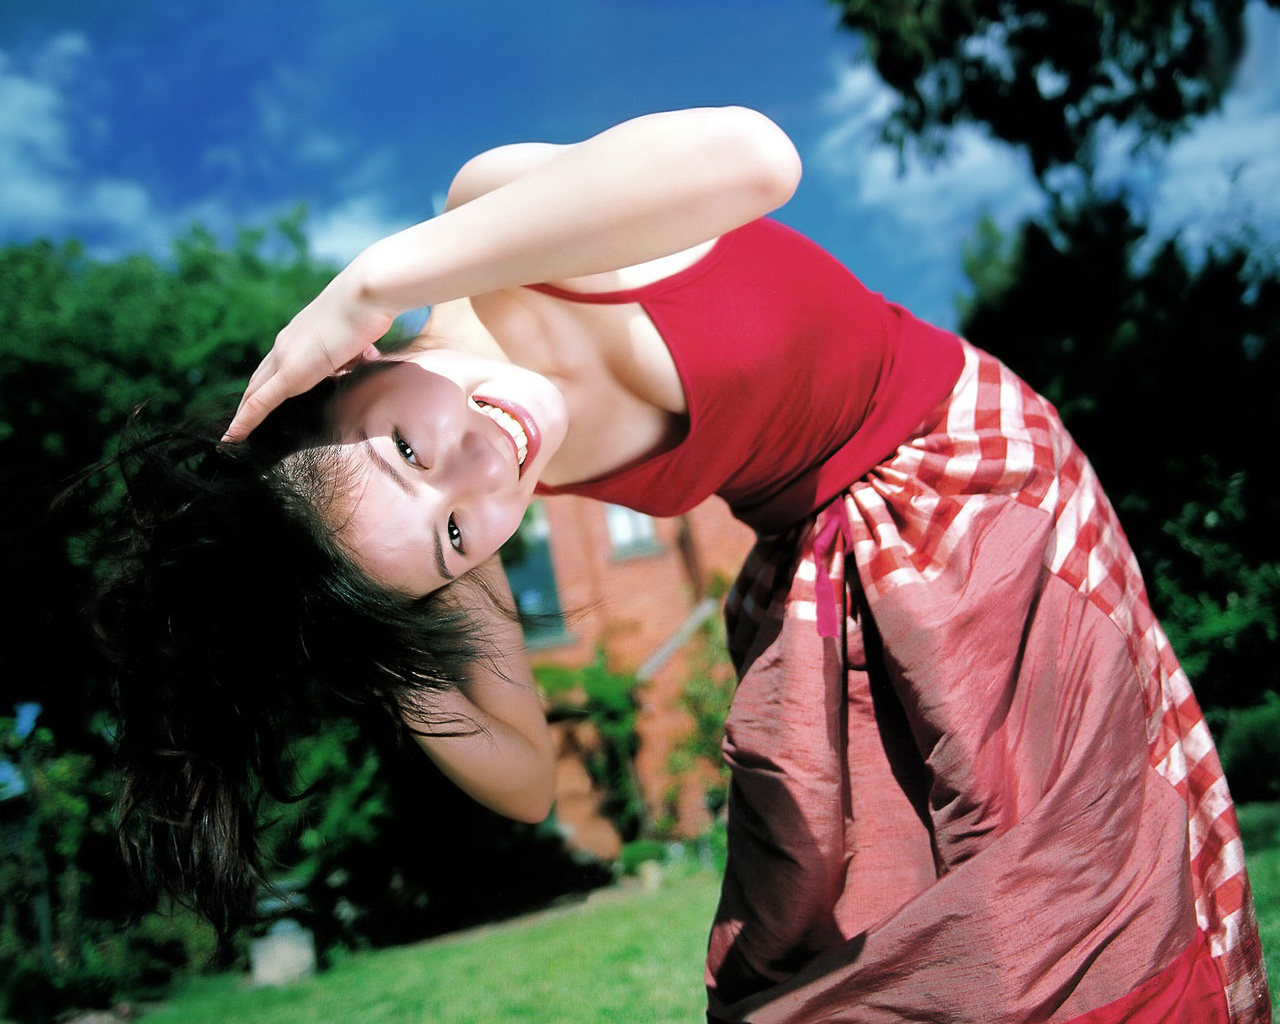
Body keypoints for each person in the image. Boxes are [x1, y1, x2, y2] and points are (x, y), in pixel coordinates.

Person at [103, 107, 1269, 1022]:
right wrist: (385, 643)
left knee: (1053, 910)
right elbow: (527, 779)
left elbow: (755, 158)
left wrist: (371, 280)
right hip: (813, 583)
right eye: (454, 535)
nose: (484, 473)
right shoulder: (460, 529)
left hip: (958, 480)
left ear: (351, 364)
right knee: (823, 959)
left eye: (408, 448)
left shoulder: (487, 227)